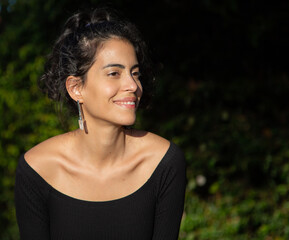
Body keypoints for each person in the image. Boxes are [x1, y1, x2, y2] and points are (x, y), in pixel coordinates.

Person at [14, 7, 186, 240]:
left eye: (135, 73)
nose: (133, 86)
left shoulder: (163, 163)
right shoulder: (36, 169)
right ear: (76, 88)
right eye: (114, 73)